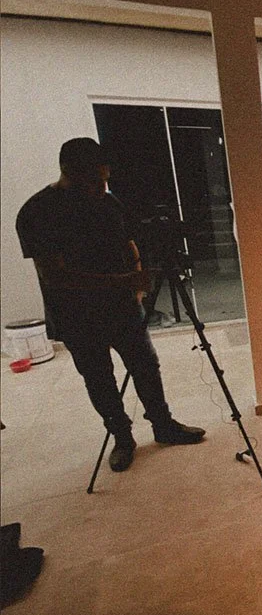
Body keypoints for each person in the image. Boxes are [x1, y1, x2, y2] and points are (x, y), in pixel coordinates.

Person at [15, 138, 205, 473]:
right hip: (76, 315)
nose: (103, 187)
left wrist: (136, 277)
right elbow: (55, 275)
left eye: (106, 179)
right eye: (96, 181)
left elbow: (128, 239)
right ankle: (122, 437)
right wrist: (120, 282)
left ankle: (163, 425)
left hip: (122, 308)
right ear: (69, 173)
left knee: (146, 364)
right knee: (99, 377)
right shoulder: (38, 213)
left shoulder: (108, 202)